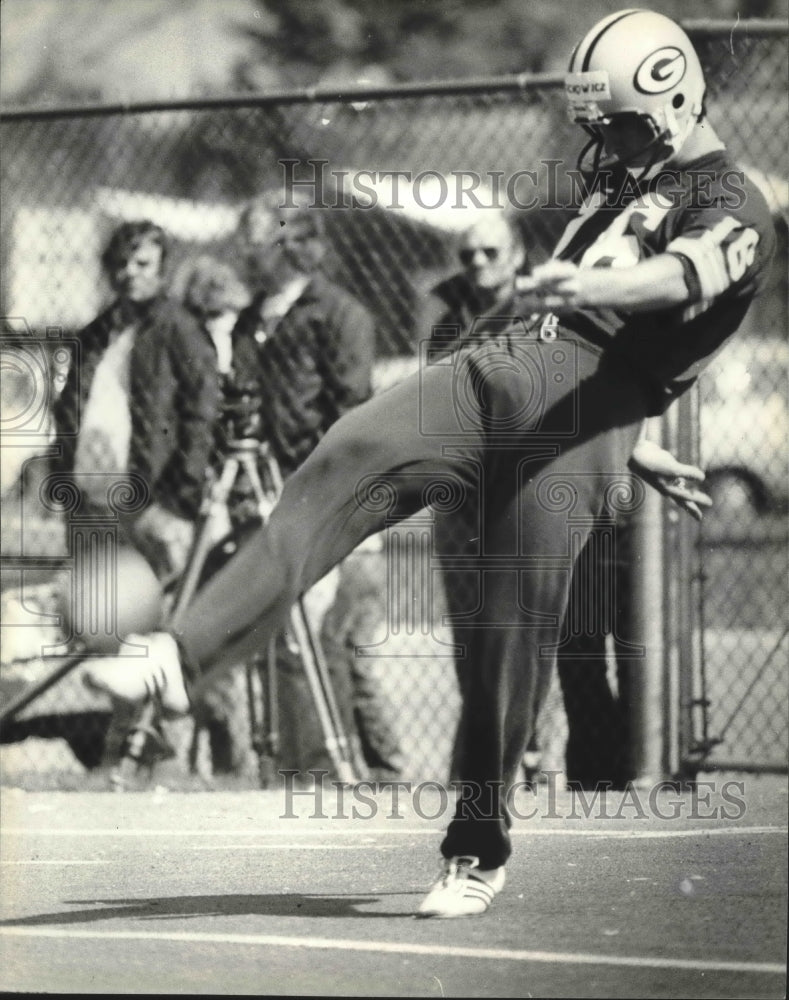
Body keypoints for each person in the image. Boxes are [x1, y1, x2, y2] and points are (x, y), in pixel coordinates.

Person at [84, 10, 775, 917]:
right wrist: (621, 407)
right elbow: (569, 311)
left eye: (617, 122)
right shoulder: (616, 175)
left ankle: (477, 848)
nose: (602, 141)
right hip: (500, 364)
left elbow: (680, 278)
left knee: (504, 637)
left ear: (676, 97)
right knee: (344, 456)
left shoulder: (735, 197)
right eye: (595, 124)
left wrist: (601, 327)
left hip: (578, 413)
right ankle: (182, 654)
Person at [208, 193, 377, 779]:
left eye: (259, 244)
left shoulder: (338, 314)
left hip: (319, 493)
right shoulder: (254, 319)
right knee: (273, 628)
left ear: (291, 245)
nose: (249, 258)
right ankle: (285, 767)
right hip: (262, 489)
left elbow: (351, 411)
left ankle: (328, 768)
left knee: (313, 632)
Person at [53, 220, 220, 769]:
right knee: (109, 637)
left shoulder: (178, 329)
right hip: (93, 507)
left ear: (162, 268)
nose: (129, 274)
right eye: (122, 263)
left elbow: (200, 419)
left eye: (143, 263)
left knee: (169, 634)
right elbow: (69, 417)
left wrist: (177, 502)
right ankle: (131, 756)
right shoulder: (95, 334)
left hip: (151, 506)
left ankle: (219, 760)